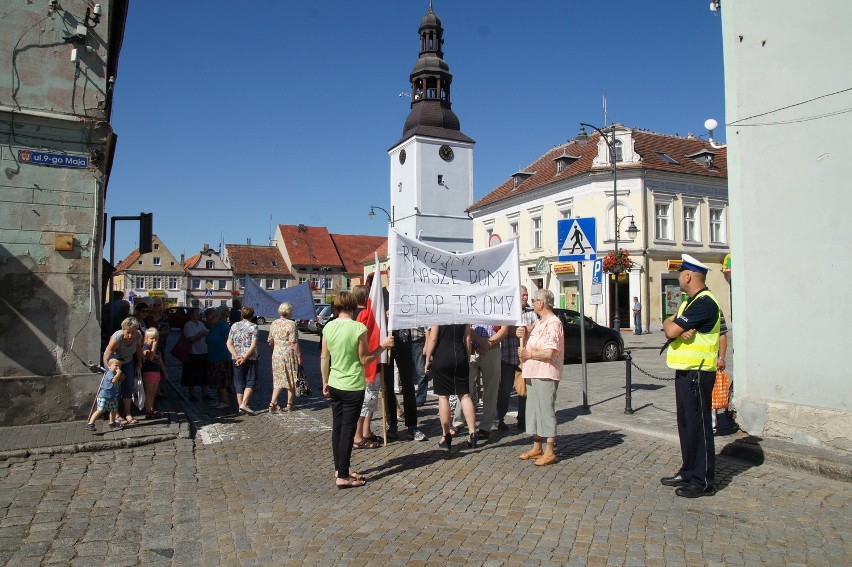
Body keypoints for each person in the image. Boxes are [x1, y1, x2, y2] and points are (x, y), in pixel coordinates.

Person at [660, 253, 721, 498]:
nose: (679, 279)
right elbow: (669, 325)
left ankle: (702, 480)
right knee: (686, 425)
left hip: (698, 372)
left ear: (688, 276)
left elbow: (671, 329)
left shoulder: (704, 302)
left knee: (699, 426)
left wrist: (673, 329)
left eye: (680, 275)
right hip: (686, 372)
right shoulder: (689, 302)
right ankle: (688, 470)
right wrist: (672, 327)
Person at [320, 291, 393, 488]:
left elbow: (324, 357)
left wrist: (325, 380)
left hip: (335, 383)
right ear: (353, 307)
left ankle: (340, 468)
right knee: (347, 430)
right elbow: (365, 359)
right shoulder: (358, 328)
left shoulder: (328, 326)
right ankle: (342, 476)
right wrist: (382, 347)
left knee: (338, 428)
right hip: (352, 385)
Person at [517, 288, 565, 467]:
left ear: (542, 303)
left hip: (546, 372)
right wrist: (523, 333)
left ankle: (550, 451)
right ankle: (537, 446)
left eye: (535, 300)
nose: (532, 303)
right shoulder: (540, 322)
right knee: (534, 411)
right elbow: (531, 337)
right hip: (533, 372)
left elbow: (549, 353)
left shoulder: (553, 323)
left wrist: (529, 355)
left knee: (545, 410)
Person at [424, 324, 477, 451]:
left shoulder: (439, 312)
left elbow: (433, 338)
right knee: (465, 396)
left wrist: (427, 359)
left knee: (443, 397)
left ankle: (446, 435)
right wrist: (468, 358)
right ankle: (473, 433)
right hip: (460, 355)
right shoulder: (463, 311)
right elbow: (468, 338)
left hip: (442, 355)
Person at [498, 286, 538, 430]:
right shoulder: (507, 312)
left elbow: (537, 327)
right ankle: (500, 418)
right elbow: (504, 330)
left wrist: (524, 329)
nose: (525, 297)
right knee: (505, 391)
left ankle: (523, 419)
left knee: (524, 391)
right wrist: (514, 331)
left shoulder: (530, 313)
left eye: (527, 295)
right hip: (507, 358)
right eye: (523, 295)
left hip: (523, 360)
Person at [351, 285, 382, 449]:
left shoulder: (351, 314)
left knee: (370, 399)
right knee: (366, 400)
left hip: (359, 362)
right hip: (367, 361)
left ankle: (366, 431)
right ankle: (358, 436)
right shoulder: (365, 314)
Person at [102, 316, 143, 425]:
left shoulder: (138, 335)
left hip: (128, 361)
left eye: (133, 332)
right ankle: (116, 415)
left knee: (128, 386)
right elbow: (107, 355)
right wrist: (112, 371)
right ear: (122, 329)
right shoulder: (117, 337)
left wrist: (139, 361)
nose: (130, 336)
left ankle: (128, 413)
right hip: (114, 362)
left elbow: (139, 349)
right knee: (116, 388)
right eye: (128, 332)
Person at [268, 302, 302, 413]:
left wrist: (275, 349)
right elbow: (294, 343)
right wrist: (299, 356)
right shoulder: (291, 324)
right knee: (291, 378)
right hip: (288, 354)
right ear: (289, 312)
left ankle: (282, 403)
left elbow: (270, 341)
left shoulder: (274, 323)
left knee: (279, 379)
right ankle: (279, 403)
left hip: (276, 354)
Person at [227, 305, 259, 415]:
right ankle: (243, 405)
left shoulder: (234, 326)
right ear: (252, 315)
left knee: (238, 381)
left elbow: (229, 343)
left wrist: (236, 356)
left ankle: (240, 407)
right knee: (251, 380)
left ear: (242, 314)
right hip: (250, 358)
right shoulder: (253, 326)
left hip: (236, 358)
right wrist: (244, 357)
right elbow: (253, 345)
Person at [85, 356, 125, 431]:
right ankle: (90, 423)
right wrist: (118, 374)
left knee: (113, 410)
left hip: (111, 397)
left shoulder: (115, 374)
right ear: (109, 367)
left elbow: (116, 384)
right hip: (104, 396)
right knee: (100, 409)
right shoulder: (109, 373)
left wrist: (121, 380)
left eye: (119, 366)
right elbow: (113, 381)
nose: (118, 368)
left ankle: (112, 423)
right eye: (116, 366)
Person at [205, 307, 232, 410]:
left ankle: (226, 401)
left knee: (221, 381)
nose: (209, 321)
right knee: (216, 381)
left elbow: (229, 340)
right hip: (213, 357)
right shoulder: (213, 326)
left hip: (222, 357)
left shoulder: (222, 326)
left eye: (211, 319)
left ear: (217, 316)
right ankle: (220, 401)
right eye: (207, 319)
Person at [181, 307, 210, 402]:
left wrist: (205, 333)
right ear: (191, 315)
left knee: (204, 374)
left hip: (203, 352)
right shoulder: (188, 325)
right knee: (191, 375)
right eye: (196, 313)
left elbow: (207, 332)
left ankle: (205, 393)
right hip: (193, 353)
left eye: (198, 313)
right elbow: (191, 339)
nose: (198, 315)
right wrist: (201, 334)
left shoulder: (201, 323)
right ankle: (192, 394)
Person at [141, 328, 166, 418]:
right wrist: (153, 347)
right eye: (152, 338)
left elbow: (160, 360)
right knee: (148, 392)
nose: (154, 340)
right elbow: (150, 357)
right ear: (146, 338)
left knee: (154, 392)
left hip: (156, 371)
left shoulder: (157, 348)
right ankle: (148, 410)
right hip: (148, 371)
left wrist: (164, 371)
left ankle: (152, 408)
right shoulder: (145, 347)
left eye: (155, 338)